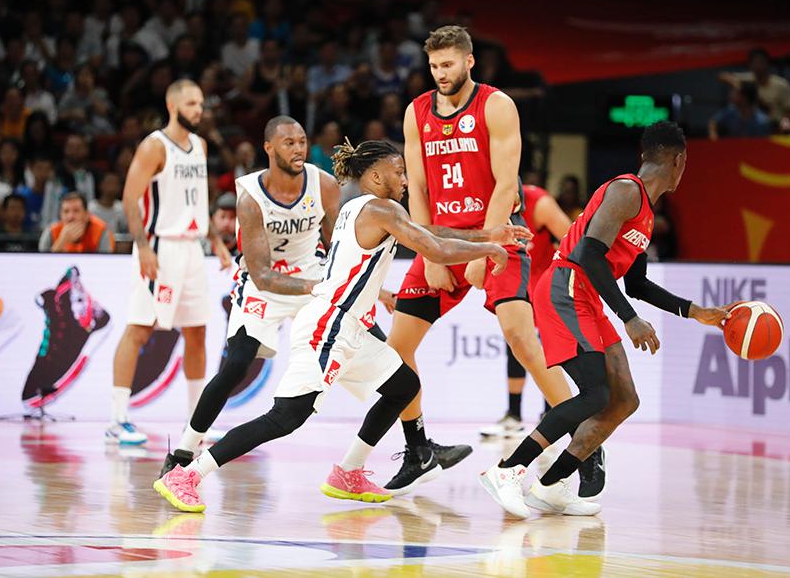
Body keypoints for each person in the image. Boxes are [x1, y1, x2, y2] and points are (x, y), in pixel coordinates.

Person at [154, 139, 527, 512]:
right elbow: (435, 249)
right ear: (376, 176)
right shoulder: (382, 209)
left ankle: (349, 471)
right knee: (285, 417)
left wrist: (488, 234)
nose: (405, 180)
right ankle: (187, 474)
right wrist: (489, 249)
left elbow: (429, 233)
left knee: (403, 386)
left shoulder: (362, 208)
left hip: (349, 328)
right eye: (399, 172)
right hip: (329, 326)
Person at [480, 122, 732, 518]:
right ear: (679, 160)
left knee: (624, 400)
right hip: (565, 289)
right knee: (595, 395)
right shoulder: (626, 190)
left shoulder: (646, 212)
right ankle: (507, 470)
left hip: (587, 297)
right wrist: (630, 319)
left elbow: (637, 284)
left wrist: (693, 310)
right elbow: (588, 254)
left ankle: (551, 486)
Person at [384, 25, 577, 496]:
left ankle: (585, 444)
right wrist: (428, 248)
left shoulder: (496, 104)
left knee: (521, 337)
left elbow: (507, 183)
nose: (440, 73)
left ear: (469, 61)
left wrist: (484, 246)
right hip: (442, 236)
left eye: (448, 64)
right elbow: (418, 187)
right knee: (396, 350)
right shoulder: (416, 111)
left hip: (497, 233)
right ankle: (419, 450)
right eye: (434, 66)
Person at [157, 116, 341, 476]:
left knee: (370, 340)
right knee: (237, 364)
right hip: (265, 283)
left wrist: (358, 288)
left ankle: (413, 444)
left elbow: (338, 244)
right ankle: (182, 452)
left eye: (302, 141)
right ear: (269, 148)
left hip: (311, 274)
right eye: (289, 142)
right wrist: (312, 288)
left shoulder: (324, 184)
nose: (299, 149)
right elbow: (261, 274)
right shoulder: (251, 196)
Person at [107, 79, 232, 446]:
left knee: (197, 332)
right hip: (160, 248)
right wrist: (143, 248)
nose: (199, 110)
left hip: (192, 249)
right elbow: (130, 199)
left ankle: (196, 424)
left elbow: (198, 201)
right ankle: (117, 419)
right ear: (172, 105)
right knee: (140, 328)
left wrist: (215, 241)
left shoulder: (200, 146)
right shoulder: (154, 146)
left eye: (201, 104)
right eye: (192, 103)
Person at [481, 183, 573, 437]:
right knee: (517, 343)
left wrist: (560, 275)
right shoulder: (489, 203)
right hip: (518, 279)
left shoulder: (539, 203)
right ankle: (514, 415)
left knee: (547, 348)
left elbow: (572, 239)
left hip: (546, 283)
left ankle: (550, 413)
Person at [38, 191, 115, 253]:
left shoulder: (101, 231)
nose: (70, 217)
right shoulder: (51, 231)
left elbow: (106, 264)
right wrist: (61, 243)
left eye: (76, 211)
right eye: (66, 211)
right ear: (60, 215)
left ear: (87, 214)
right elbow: (42, 264)